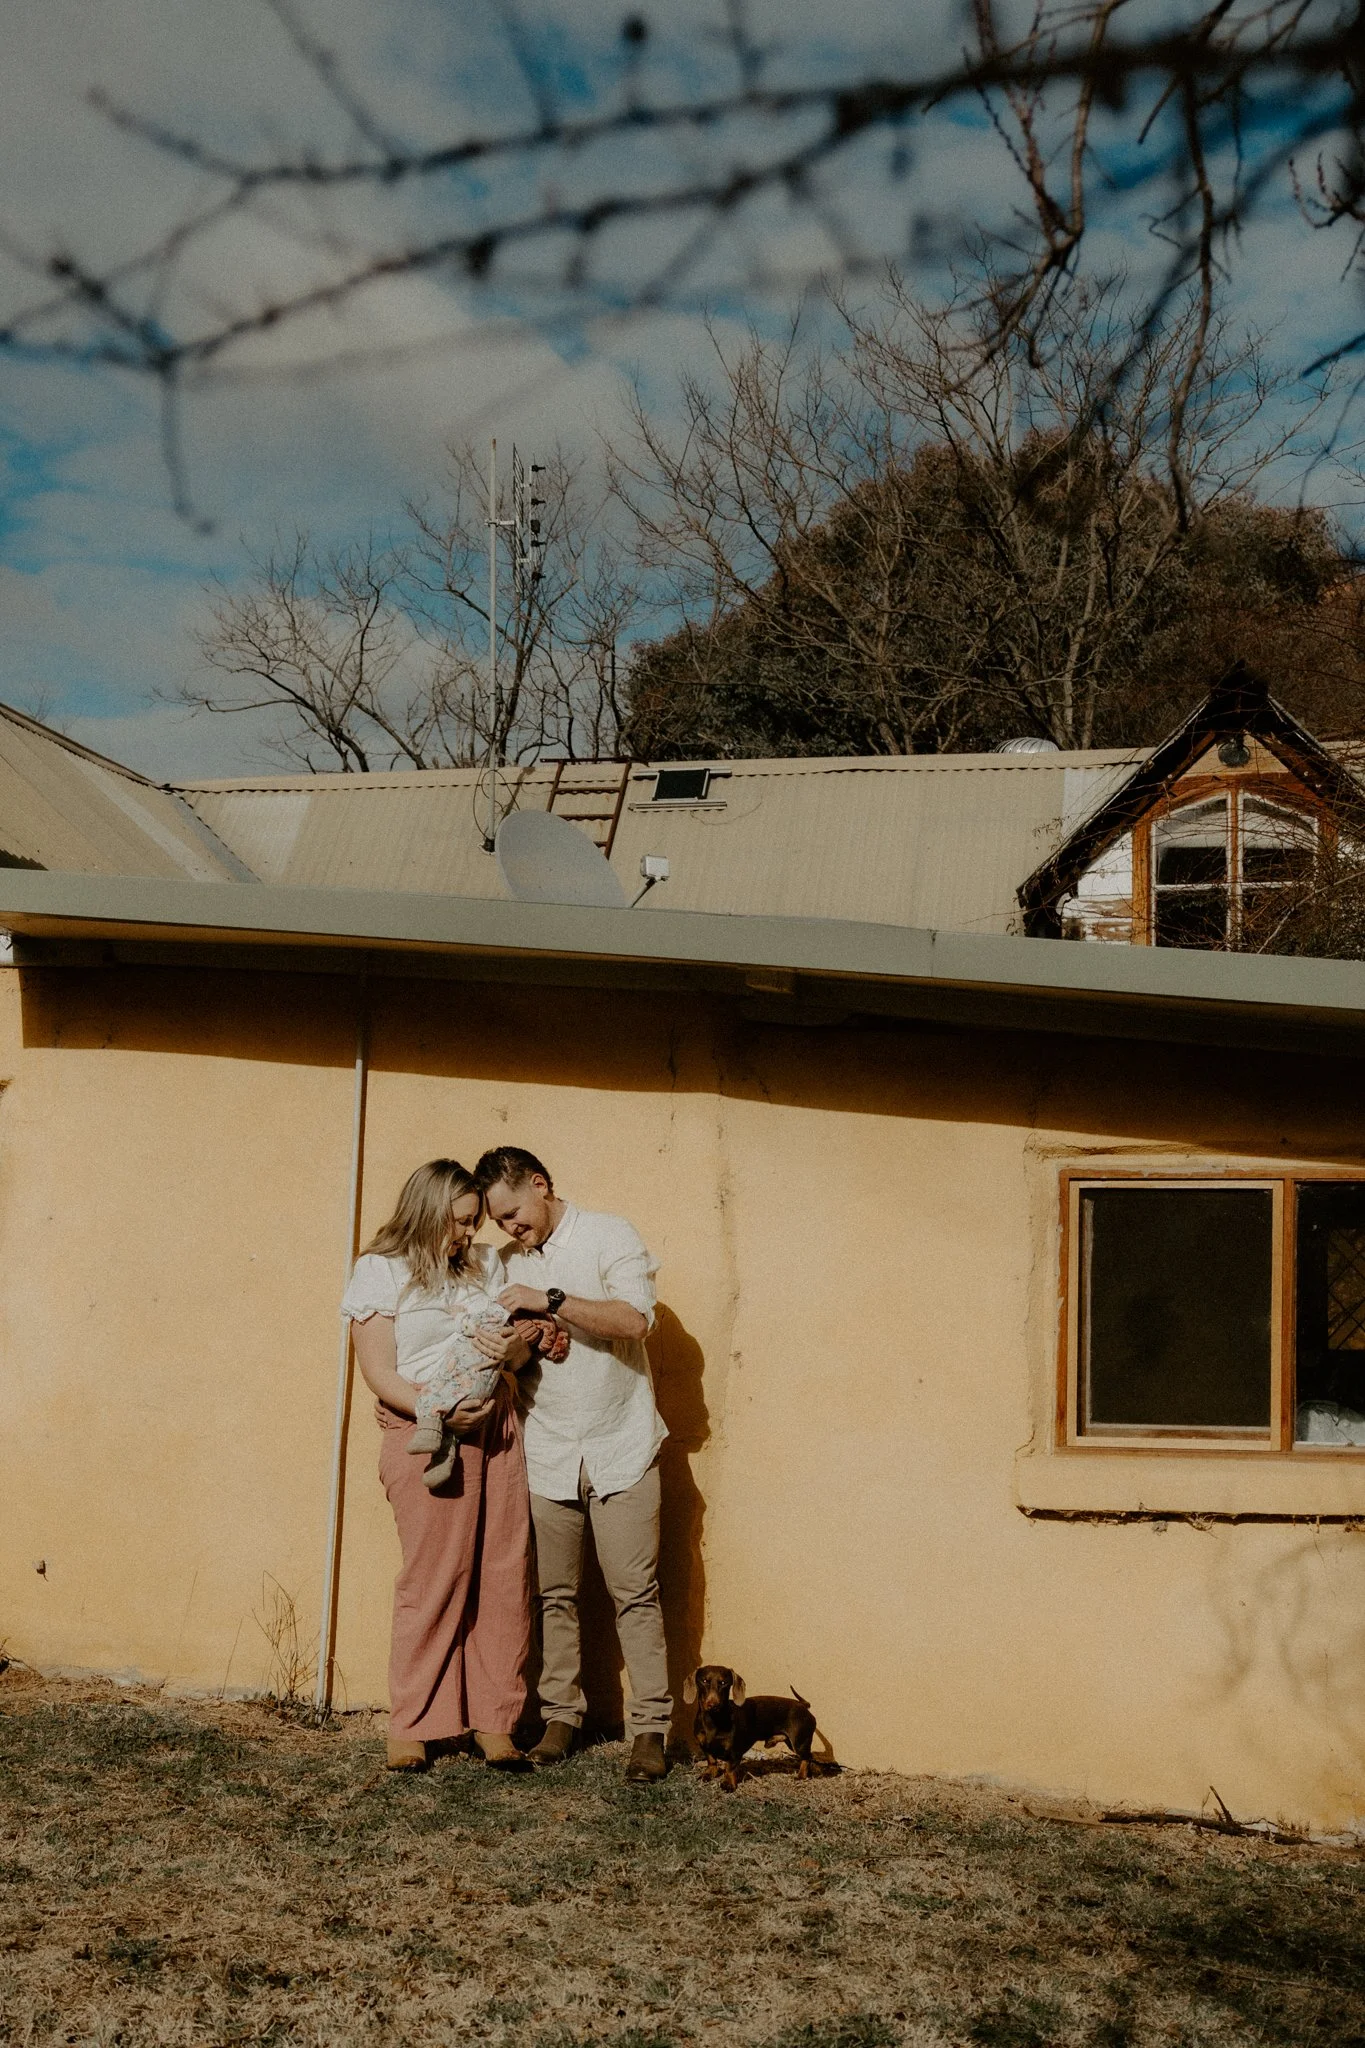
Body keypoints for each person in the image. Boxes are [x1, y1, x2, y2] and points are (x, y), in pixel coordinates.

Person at [473, 1145, 671, 1785]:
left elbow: (634, 1321)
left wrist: (550, 1299)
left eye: (513, 1213)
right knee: (553, 1594)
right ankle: (561, 1719)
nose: (509, 1229)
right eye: (499, 1222)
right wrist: (520, 1344)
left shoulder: (610, 1233)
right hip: (549, 1447)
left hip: (621, 1444)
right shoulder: (504, 1262)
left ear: (540, 1183)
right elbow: (514, 1357)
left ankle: (650, 1731)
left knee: (634, 1595)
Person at [341, 1158, 534, 1772]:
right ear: (426, 1213)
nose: (468, 1235)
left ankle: (495, 1719)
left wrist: (515, 1353)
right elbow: (377, 1372)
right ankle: (414, 1722)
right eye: (458, 1222)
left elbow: (519, 1348)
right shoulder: (380, 1272)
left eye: (474, 1223)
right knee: (435, 1577)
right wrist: (439, 1412)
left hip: (497, 1427)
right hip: (425, 1431)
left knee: (502, 1574)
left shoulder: (484, 1267)